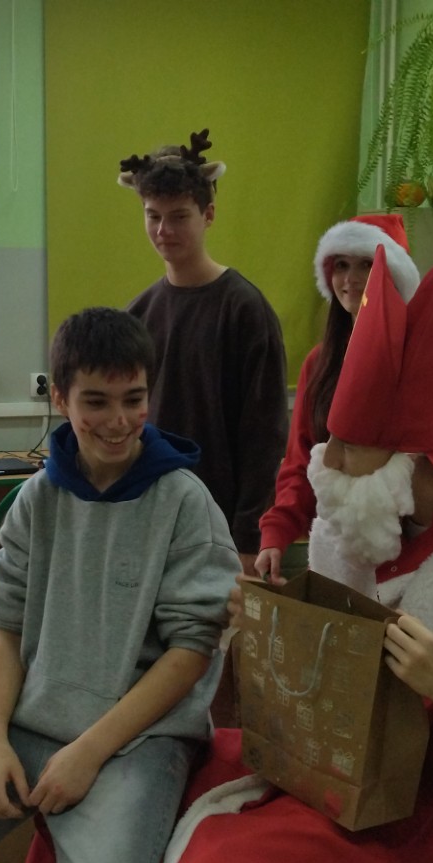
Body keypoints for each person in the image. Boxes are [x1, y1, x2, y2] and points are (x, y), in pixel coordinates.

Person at [156, 249, 433, 863]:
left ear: (410, 459)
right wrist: (264, 628)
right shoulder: (357, 531)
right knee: (156, 792)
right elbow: (316, 691)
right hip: (313, 775)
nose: (327, 462)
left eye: (349, 447)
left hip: (412, 816)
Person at [0, 307, 238, 863]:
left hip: (136, 740)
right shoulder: (36, 499)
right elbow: (7, 630)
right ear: (61, 398)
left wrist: (88, 753)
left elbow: (191, 653)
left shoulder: (184, 503)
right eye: (96, 402)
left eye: (134, 399)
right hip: (29, 722)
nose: (119, 421)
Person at [254, 213, 433, 584]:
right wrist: (277, 532)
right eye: (341, 265)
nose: (350, 279)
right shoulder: (319, 363)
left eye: (366, 265)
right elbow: (300, 460)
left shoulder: (424, 363)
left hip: (410, 555)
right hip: (340, 547)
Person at [121, 129, 288, 566]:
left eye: (179, 216)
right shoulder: (137, 314)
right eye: (153, 216)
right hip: (147, 516)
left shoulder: (245, 310)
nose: (164, 230)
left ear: (208, 214)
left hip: (218, 527)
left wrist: (249, 537)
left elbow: (264, 435)